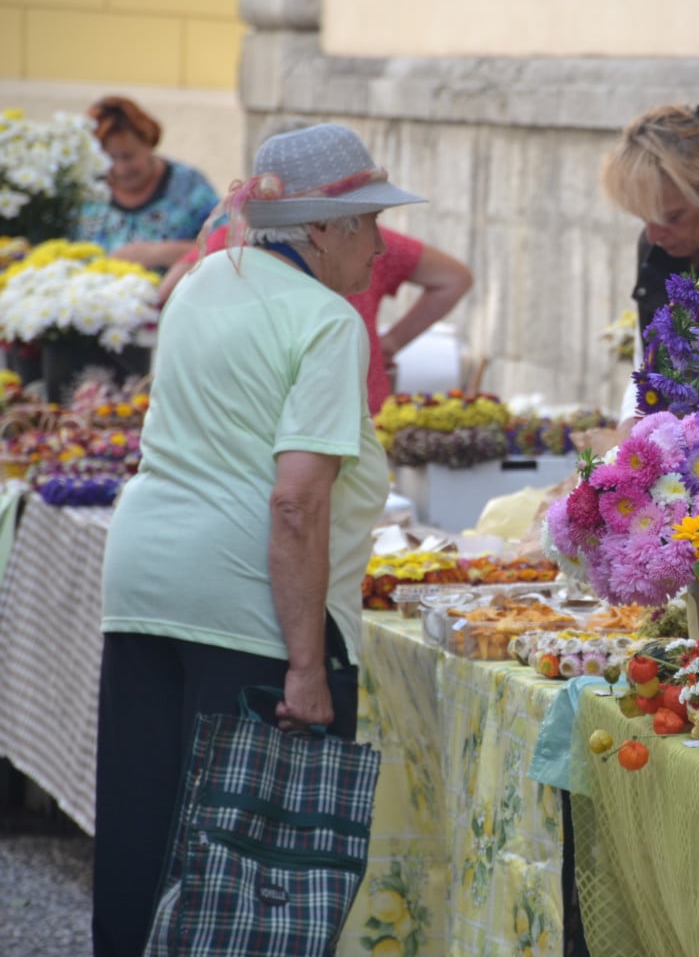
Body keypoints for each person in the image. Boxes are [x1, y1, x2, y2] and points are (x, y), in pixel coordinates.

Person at [92, 123, 423, 957]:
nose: (380, 247)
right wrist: (307, 668)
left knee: (142, 838)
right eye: (370, 225)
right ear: (321, 229)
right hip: (246, 604)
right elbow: (297, 504)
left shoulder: (206, 279)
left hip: (144, 581)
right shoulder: (328, 321)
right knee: (251, 881)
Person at [160, 222, 473, 412]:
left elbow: (170, 292)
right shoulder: (359, 236)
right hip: (341, 406)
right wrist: (389, 343)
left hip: (285, 411)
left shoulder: (231, 240)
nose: (377, 245)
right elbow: (453, 279)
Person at [600, 104, 699, 419]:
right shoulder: (653, 245)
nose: (654, 234)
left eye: (671, 217)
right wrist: (631, 422)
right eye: (643, 218)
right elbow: (645, 361)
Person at [72, 96, 218, 271]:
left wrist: (159, 253)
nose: (120, 169)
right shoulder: (86, 190)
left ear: (148, 142)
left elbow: (229, 246)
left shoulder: (188, 185)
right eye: (108, 159)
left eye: (128, 156)